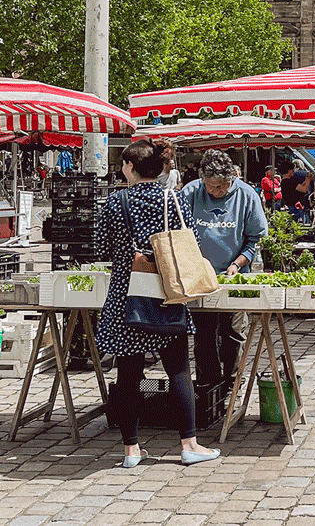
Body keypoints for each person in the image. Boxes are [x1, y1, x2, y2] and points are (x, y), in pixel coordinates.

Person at [93, 139, 218, 468]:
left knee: (129, 373)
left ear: (131, 167)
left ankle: (131, 449)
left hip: (127, 294)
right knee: (177, 367)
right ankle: (189, 444)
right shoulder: (172, 199)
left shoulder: (116, 201)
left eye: (123, 164)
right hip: (166, 291)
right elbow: (192, 240)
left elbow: (98, 246)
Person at [180, 150, 269, 422]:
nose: (214, 191)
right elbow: (178, 231)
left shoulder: (246, 196)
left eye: (219, 186)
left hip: (234, 275)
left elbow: (255, 238)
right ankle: (208, 386)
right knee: (203, 334)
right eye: (209, 186)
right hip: (199, 277)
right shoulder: (191, 193)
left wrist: (239, 263)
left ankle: (232, 385)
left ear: (231, 179)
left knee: (233, 331)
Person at [281, 158, 315, 223]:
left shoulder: (285, 181)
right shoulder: (289, 182)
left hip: (292, 206)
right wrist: (308, 180)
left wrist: (306, 180)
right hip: (295, 208)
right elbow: (304, 189)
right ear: (289, 171)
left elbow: (300, 186)